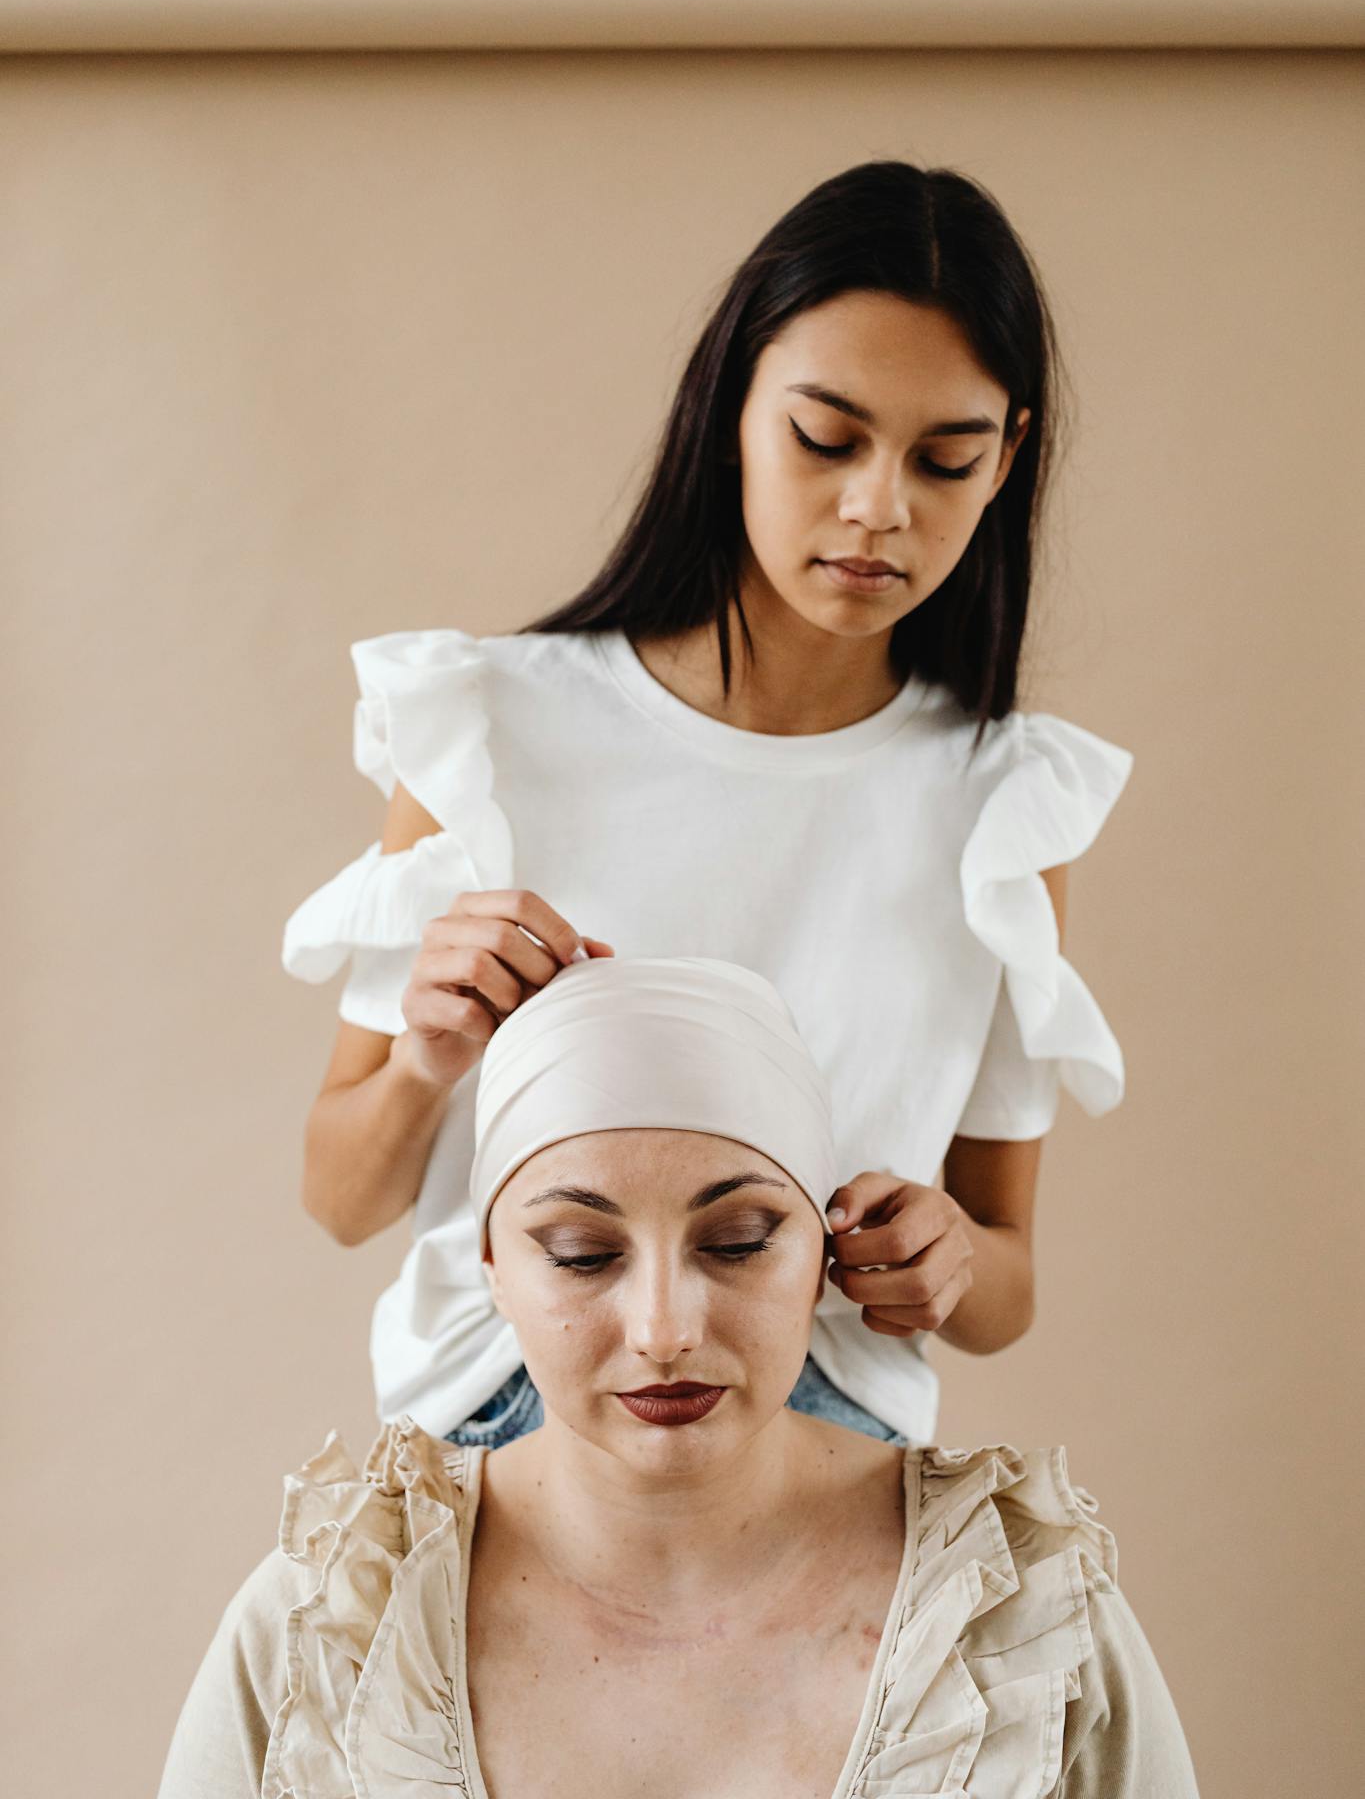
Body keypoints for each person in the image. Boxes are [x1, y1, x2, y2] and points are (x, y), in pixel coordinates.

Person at [282, 159, 1134, 1448]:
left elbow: (1002, 1277)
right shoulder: (492, 728)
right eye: (825, 438)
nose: (876, 508)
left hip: (830, 1439)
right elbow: (343, 1198)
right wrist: (425, 1057)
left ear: (1007, 457)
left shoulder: (1001, 805)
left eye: (946, 459)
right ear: (732, 404)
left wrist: (943, 1255)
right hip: (501, 1423)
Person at [158, 958, 1197, 1798]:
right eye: (580, 1251)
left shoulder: (1018, 1617)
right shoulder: (329, 1620)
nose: (663, 1329)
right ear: (492, 1271)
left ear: (824, 1250)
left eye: (740, 1240)